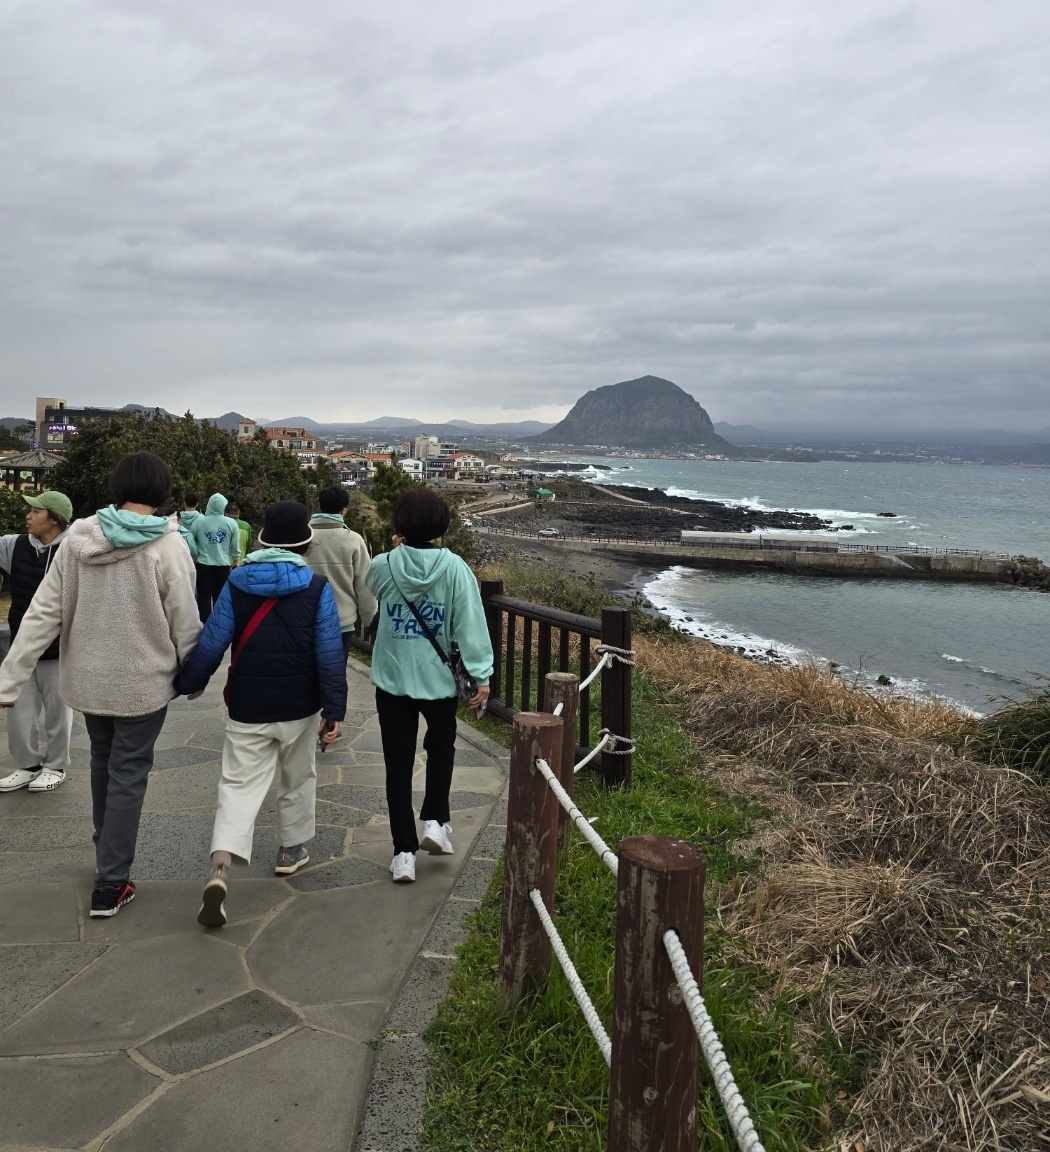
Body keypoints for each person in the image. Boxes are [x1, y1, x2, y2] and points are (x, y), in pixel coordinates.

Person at [0, 452, 201, 917]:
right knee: (128, 774)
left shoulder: (78, 539)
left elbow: (42, 613)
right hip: (142, 684)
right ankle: (111, 881)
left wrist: (9, 679)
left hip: (89, 680)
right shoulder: (168, 544)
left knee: (103, 765)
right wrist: (193, 670)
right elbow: (185, 618)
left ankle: (105, 853)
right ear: (162, 490)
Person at [174, 501, 346, 928]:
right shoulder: (317, 588)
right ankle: (291, 850)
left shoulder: (237, 583)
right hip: (300, 706)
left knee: (238, 784)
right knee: (298, 776)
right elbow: (329, 653)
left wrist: (192, 680)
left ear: (264, 540)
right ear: (305, 543)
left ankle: (221, 866)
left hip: (248, 703)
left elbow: (213, 640)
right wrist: (334, 709)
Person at [365, 488, 492, 883]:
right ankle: (435, 822)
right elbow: (470, 624)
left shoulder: (385, 564)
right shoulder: (455, 569)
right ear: (441, 526)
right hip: (438, 682)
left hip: (393, 680)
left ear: (400, 524)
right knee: (441, 750)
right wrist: (481, 674)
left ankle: (404, 853)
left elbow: (372, 585)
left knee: (397, 764)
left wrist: (396, 550)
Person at [0, 491, 75, 793]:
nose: (28, 516)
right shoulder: (14, 544)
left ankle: (55, 766)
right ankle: (27, 765)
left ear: (55, 519)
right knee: (18, 710)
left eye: (36, 511)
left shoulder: (73, 550)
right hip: (21, 644)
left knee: (58, 711)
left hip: (59, 647)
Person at [306, 486, 376, 664]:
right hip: (342, 620)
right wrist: (369, 619)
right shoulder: (354, 539)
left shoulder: (303, 538)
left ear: (320, 506)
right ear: (344, 510)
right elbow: (364, 584)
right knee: (335, 671)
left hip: (306, 618)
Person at [190, 493, 241, 621]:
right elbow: (235, 545)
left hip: (202, 564)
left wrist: (195, 556)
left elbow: (191, 542)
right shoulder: (231, 523)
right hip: (223, 565)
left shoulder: (199, 522)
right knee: (220, 596)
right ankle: (218, 623)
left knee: (204, 596)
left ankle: (204, 623)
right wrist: (236, 559)